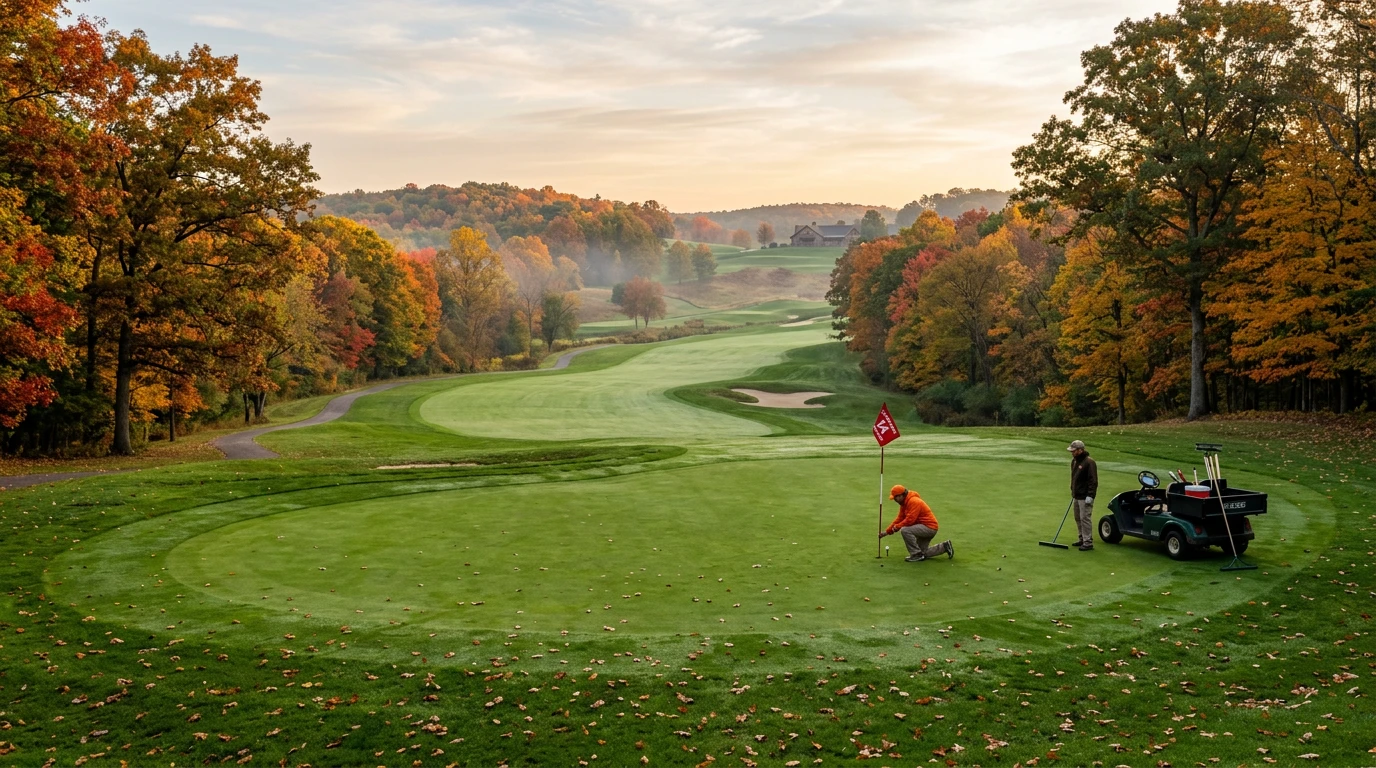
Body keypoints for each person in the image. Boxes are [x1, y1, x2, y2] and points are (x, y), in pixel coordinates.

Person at [879, 485, 953, 562]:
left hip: (929, 528)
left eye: (895, 497)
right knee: (923, 553)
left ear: (901, 495)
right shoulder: (904, 504)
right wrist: (886, 532)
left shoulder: (913, 501)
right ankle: (945, 546)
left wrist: (898, 527)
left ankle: (916, 555)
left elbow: (910, 520)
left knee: (905, 530)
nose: (895, 500)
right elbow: (899, 518)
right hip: (924, 527)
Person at [1068, 439, 1098, 551]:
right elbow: (1074, 478)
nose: (1072, 452)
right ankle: (1081, 538)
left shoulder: (1089, 462)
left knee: (1085, 518)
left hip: (1085, 496)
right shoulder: (1074, 461)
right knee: (1077, 517)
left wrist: (1091, 495)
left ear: (1080, 450)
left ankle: (1088, 542)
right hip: (1077, 495)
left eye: (1074, 450)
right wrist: (1073, 490)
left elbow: (1093, 481)